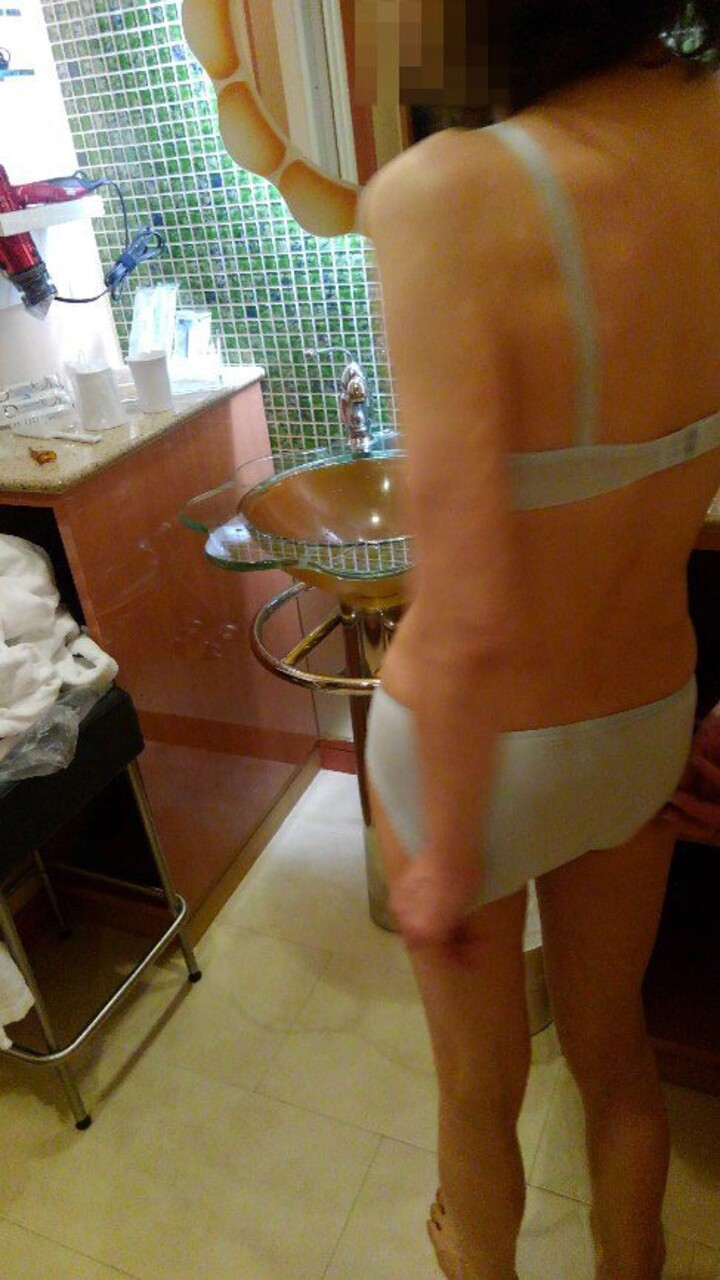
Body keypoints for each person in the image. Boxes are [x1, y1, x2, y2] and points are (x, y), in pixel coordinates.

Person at [360, 5, 720, 1279]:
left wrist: (445, 857)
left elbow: (463, 614)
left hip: (471, 756)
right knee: (615, 1053)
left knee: (479, 1089)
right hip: (643, 724)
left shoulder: (444, 193)